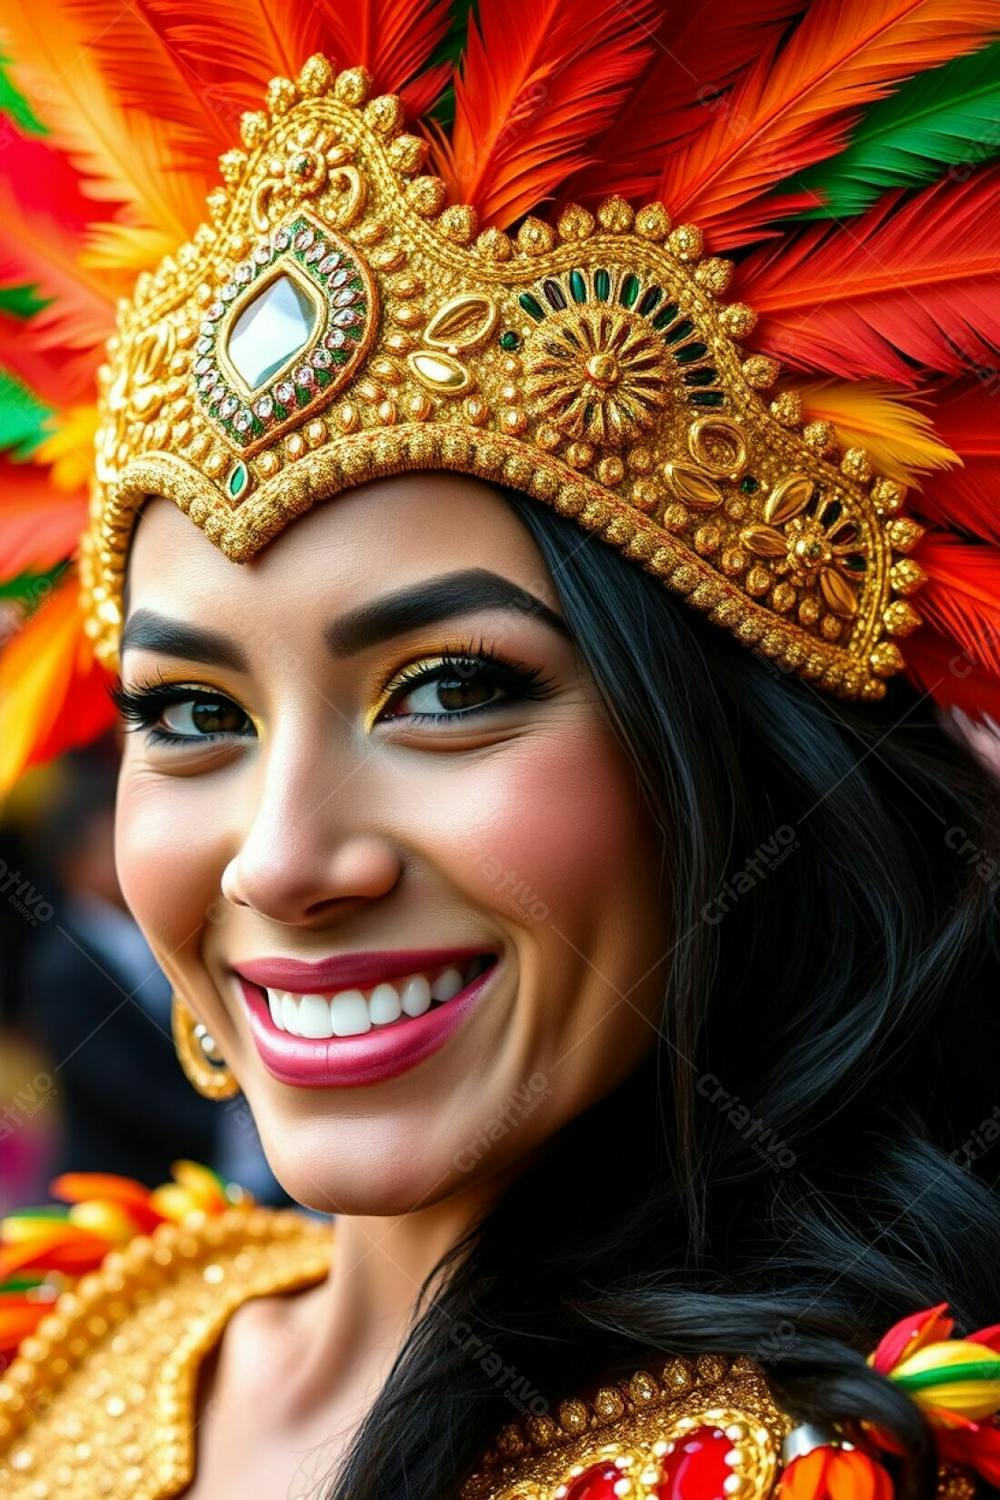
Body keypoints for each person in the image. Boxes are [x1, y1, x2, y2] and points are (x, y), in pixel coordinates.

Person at [0, 5, 999, 1498]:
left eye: (452, 689)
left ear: (742, 771)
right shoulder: (51, 1337)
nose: (283, 858)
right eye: (195, 714)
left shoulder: (862, 1466)